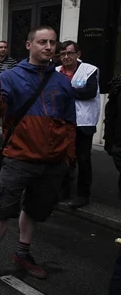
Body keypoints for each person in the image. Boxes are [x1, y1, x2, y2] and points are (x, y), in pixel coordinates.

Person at [0, 26, 76, 288]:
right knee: (2, 211)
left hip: (52, 162)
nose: (48, 47)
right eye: (42, 42)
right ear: (28, 45)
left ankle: (22, 254)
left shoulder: (62, 82)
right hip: (19, 158)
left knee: (34, 211)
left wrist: (68, 157)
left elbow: (69, 122)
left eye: (52, 43)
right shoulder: (12, 77)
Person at [56, 41, 100, 208]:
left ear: (78, 55)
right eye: (63, 54)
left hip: (83, 123)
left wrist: (64, 91)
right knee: (63, 157)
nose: (66, 57)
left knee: (83, 159)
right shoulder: (55, 72)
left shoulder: (90, 70)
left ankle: (83, 195)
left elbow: (88, 92)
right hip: (62, 121)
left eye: (70, 53)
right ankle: (64, 190)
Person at [0, 41, 17, 150]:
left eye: (5, 47)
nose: (3, 49)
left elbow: (13, 78)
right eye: (1, 47)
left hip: (7, 95)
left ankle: (8, 144)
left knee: (7, 120)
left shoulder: (13, 62)